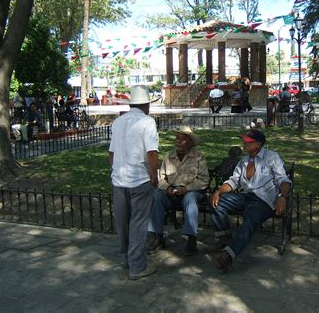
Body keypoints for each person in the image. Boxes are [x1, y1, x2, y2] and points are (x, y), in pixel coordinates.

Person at [207, 129, 292, 274]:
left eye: (247, 142)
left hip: (264, 201)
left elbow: (283, 180)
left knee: (249, 221)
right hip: (246, 197)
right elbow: (233, 182)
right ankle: (224, 237)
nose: (244, 144)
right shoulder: (244, 161)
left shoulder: (272, 157)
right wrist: (218, 192)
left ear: (258, 144)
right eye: (244, 141)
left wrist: (282, 197)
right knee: (218, 202)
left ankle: (227, 256)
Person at [108, 85, 160, 280]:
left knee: (123, 223)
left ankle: (126, 258)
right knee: (138, 224)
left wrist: (115, 171)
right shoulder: (147, 122)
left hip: (119, 179)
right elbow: (152, 152)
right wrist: (154, 176)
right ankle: (137, 266)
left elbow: (111, 153)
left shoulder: (118, 122)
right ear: (147, 105)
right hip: (139, 179)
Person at [147, 125, 209, 256]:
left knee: (190, 199)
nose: (179, 141)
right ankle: (156, 236)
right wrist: (167, 188)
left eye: (183, 139)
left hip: (191, 191)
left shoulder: (198, 157)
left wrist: (187, 188)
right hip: (172, 191)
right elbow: (161, 178)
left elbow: (203, 180)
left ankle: (191, 237)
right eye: (177, 138)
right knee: (157, 197)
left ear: (190, 142)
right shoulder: (169, 156)